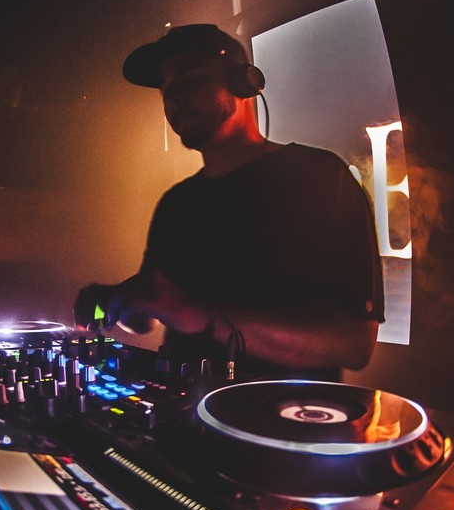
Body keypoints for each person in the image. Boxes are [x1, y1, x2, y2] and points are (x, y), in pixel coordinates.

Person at [73, 23, 384, 382]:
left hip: (285, 414)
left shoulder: (321, 177)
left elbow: (354, 345)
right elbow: (150, 316)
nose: (174, 98)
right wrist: (117, 300)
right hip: (186, 414)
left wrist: (205, 317)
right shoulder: (177, 204)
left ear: (243, 83)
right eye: (166, 89)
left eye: (190, 80)